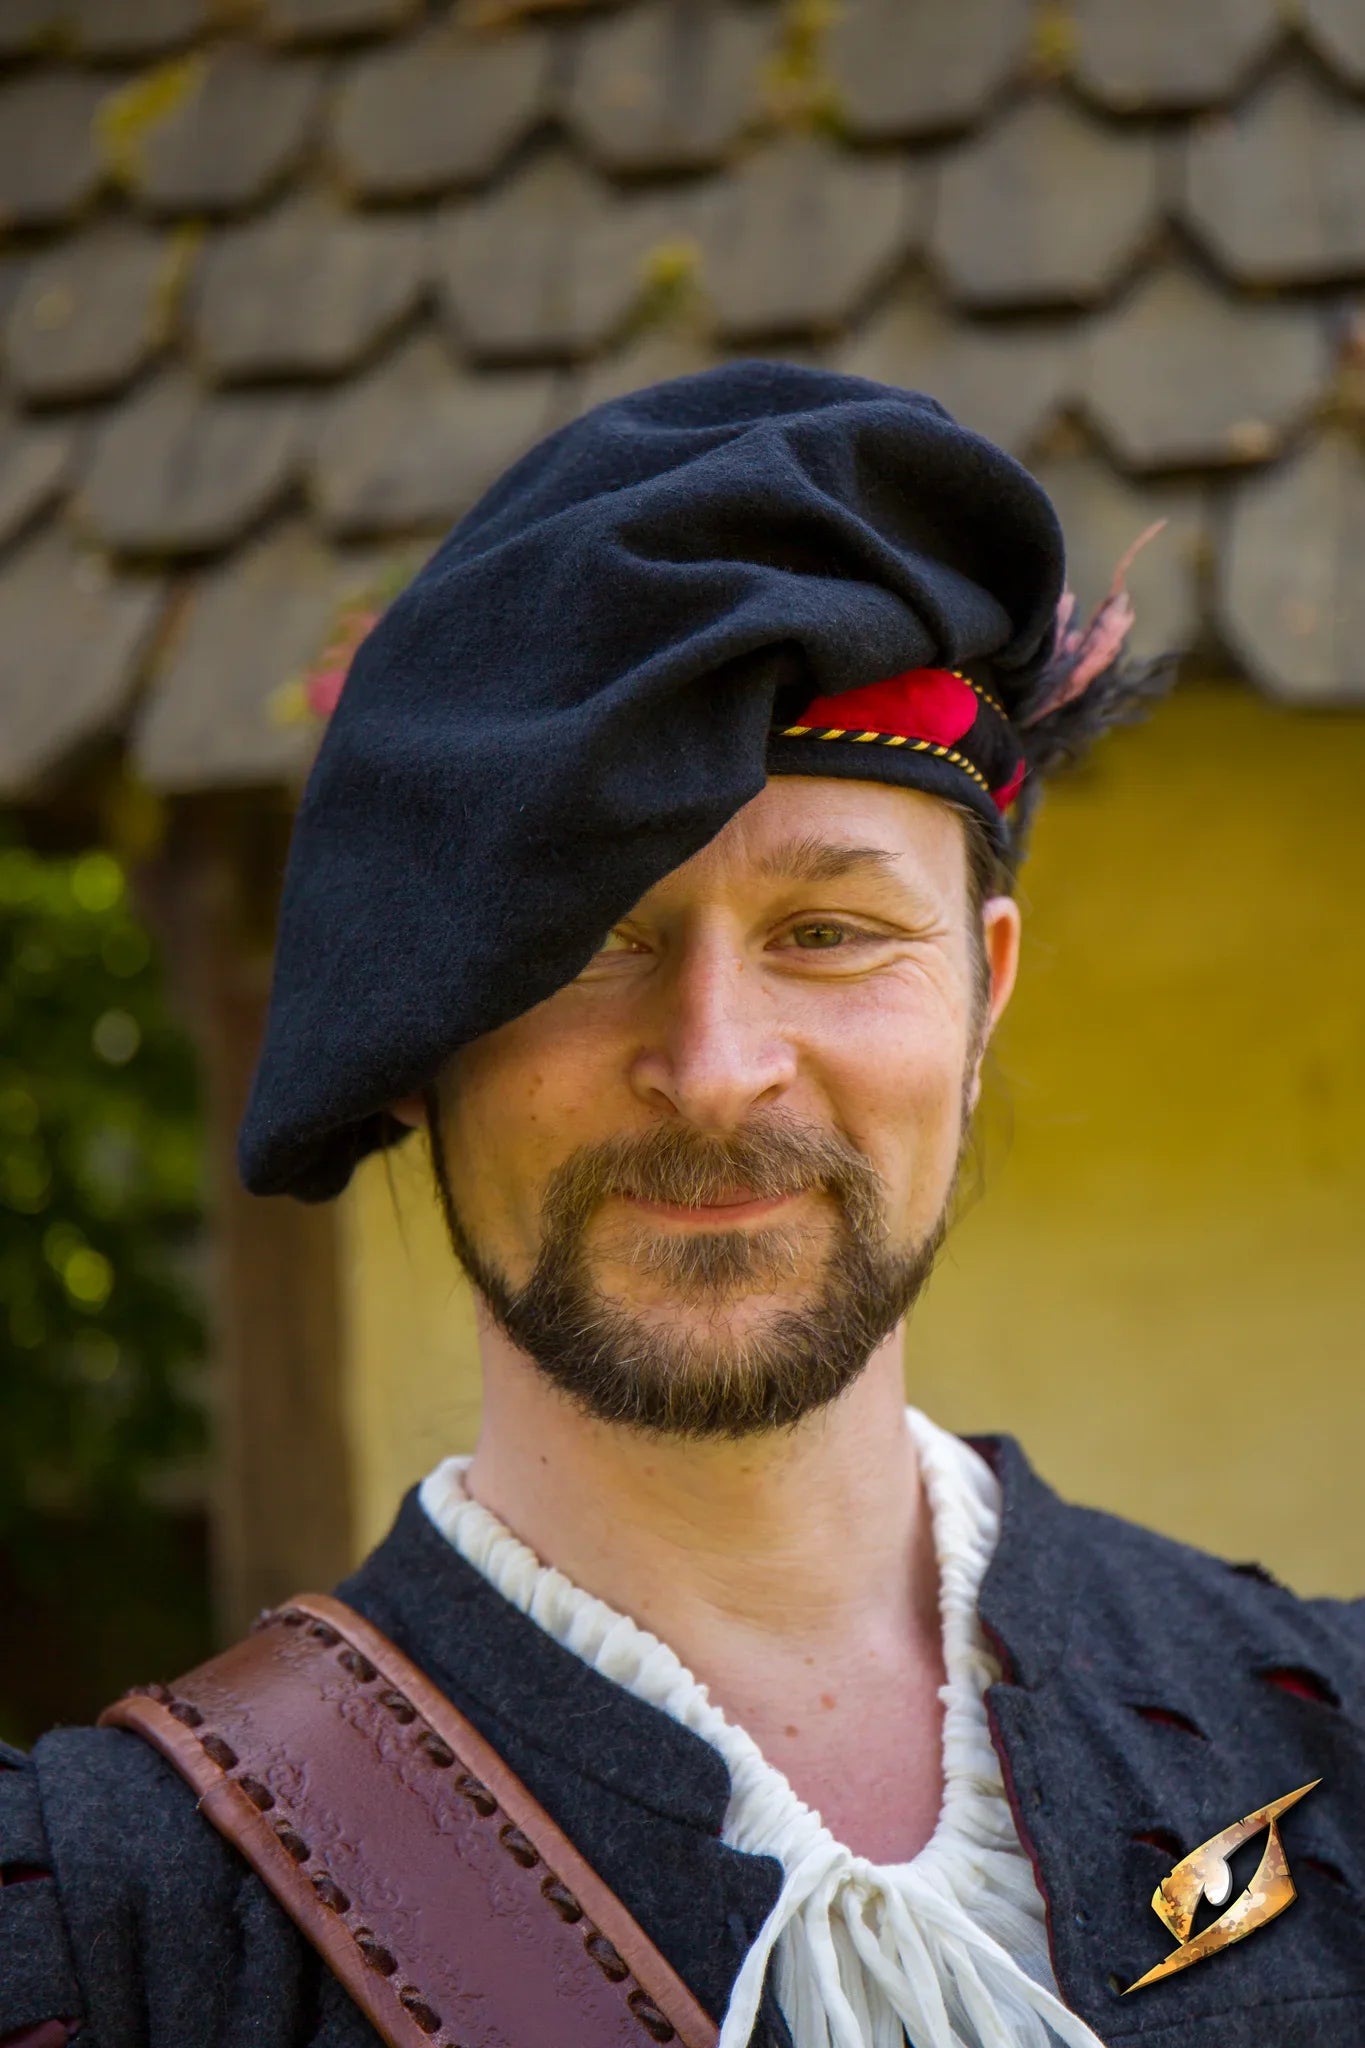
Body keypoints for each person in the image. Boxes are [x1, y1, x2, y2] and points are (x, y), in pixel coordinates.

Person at [4, 365, 1362, 2048]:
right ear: (424, 1028)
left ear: (982, 999)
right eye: (588, 942)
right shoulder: (106, 1937)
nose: (716, 1068)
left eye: (831, 931)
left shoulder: (1333, 1737)